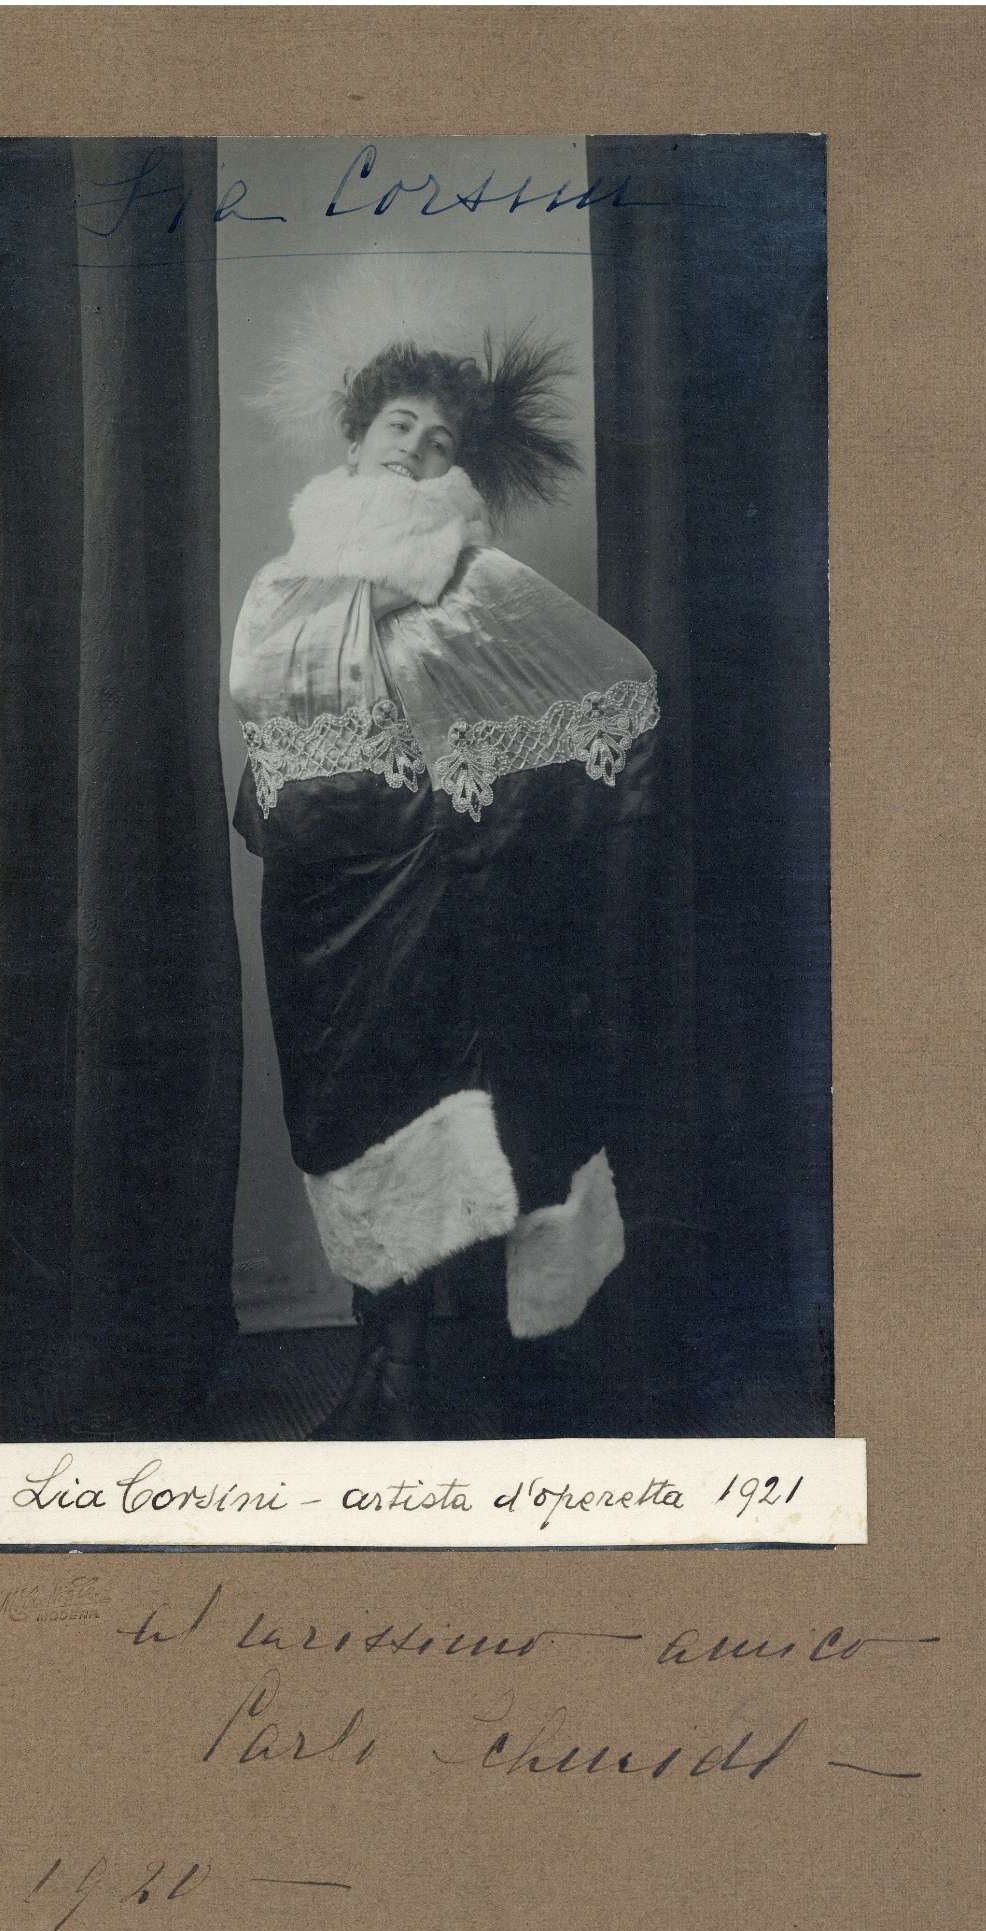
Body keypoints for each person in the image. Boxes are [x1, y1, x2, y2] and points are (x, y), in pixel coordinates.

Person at [229, 325, 659, 1439]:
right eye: (398, 425)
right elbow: (264, 713)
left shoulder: (477, 580)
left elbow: (610, 687)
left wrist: (475, 813)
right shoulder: (288, 576)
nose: (414, 448)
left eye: (438, 440)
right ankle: (381, 1363)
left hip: (433, 889)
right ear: (356, 438)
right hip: (320, 892)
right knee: (341, 1111)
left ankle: (424, 1375)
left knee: (441, 1104)